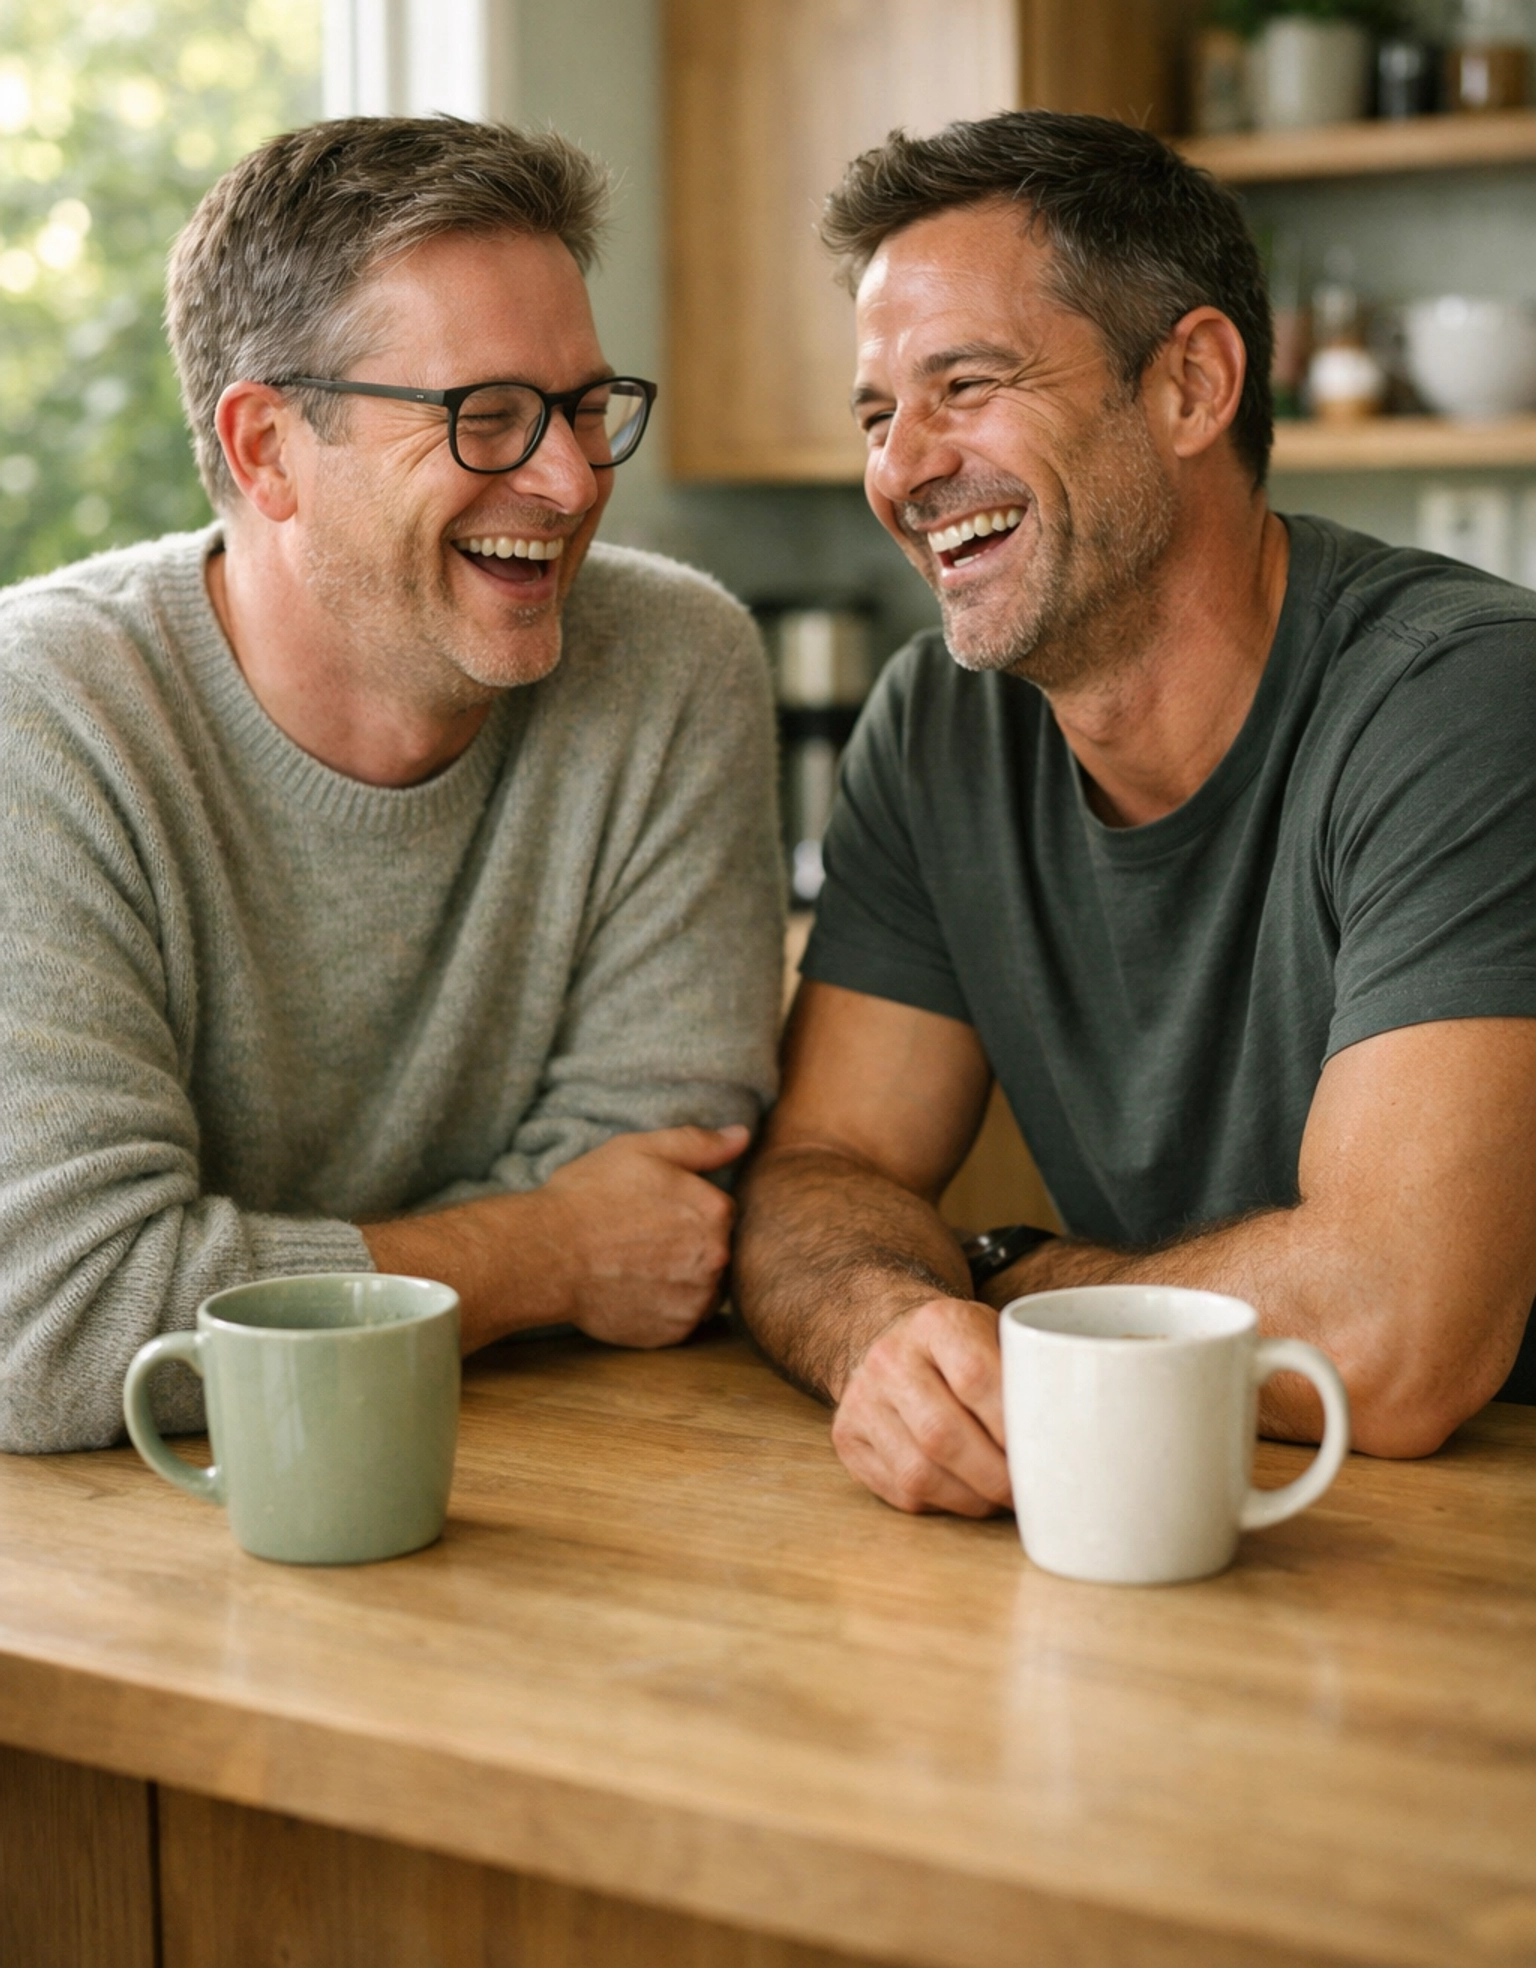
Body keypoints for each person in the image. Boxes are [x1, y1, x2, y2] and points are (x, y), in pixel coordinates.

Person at [733, 109, 1536, 1518]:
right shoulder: (934, 727)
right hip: (1165, 1492)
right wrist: (896, 1336)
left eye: (964, 386)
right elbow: (823, 1173)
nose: (902, 468)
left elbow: (1397, 1338)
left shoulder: (1462, 702)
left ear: (1192, 385)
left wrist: (1016, 1282)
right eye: (876, 413)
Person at [0, 115, 783, 1454]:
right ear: (266, 452)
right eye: (485, 419)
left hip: (554, 1470)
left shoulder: (673, 664)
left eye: (588, 408)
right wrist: (538, 1253)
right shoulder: (47, 719)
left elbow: (663, 1205)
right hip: (111, 1543)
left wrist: (251, 1277)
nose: (569, 478)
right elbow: (59, 1325)